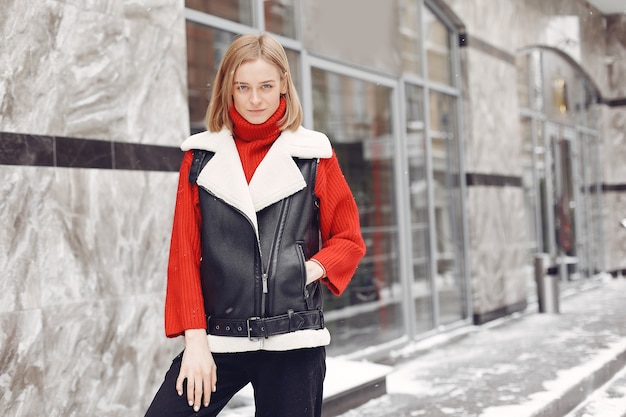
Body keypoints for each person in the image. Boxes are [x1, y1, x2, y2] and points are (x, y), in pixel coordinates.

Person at [145, 33, 366, 417]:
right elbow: (184, 253)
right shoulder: (200, 157)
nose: (255, 100)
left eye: (266, 86)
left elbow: (348, 239)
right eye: (242, 87)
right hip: (220, 337)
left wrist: (304, 270)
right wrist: (196, 344)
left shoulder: (313, 154)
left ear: (283, 83)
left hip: (294, 339)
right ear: (228, 89)